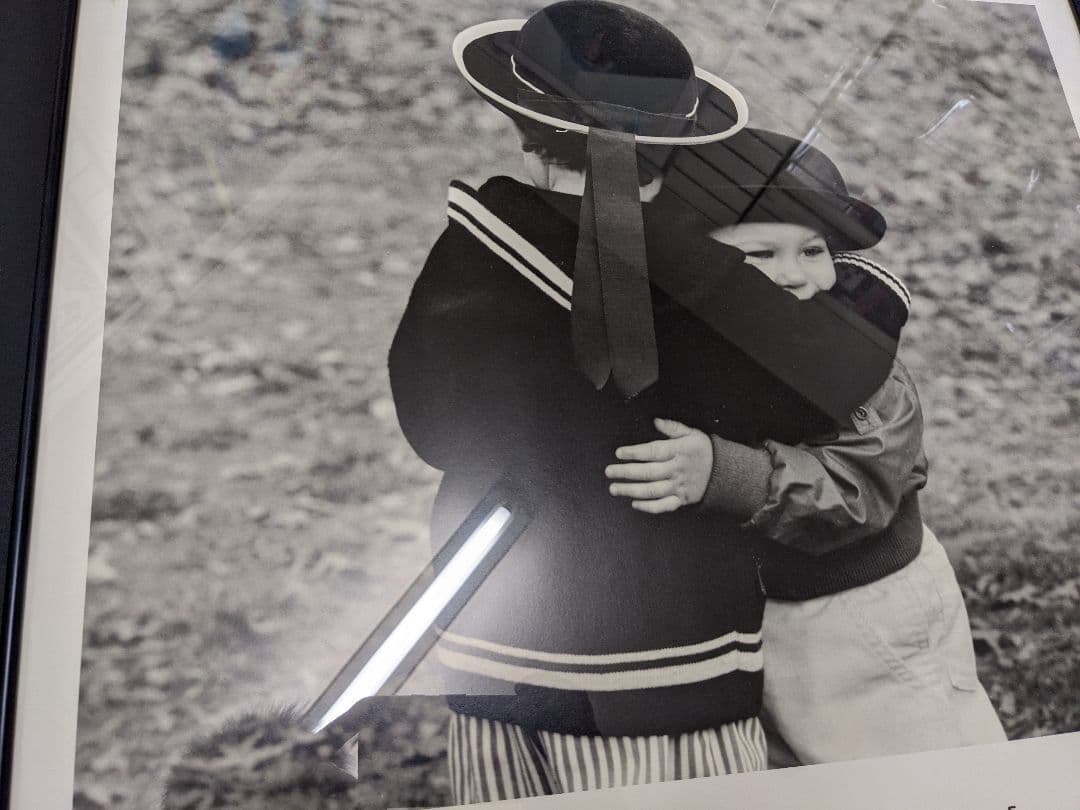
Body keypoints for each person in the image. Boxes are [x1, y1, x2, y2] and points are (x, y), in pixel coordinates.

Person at [607, 127, 1007, 767]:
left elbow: (858, 488)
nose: (794, 275)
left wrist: (723, 473)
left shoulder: (854, 358)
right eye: (761, 253)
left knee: (923, 761)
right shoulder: (695, 347)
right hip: (764, 617)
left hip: (863, 610)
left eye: (813, 250)